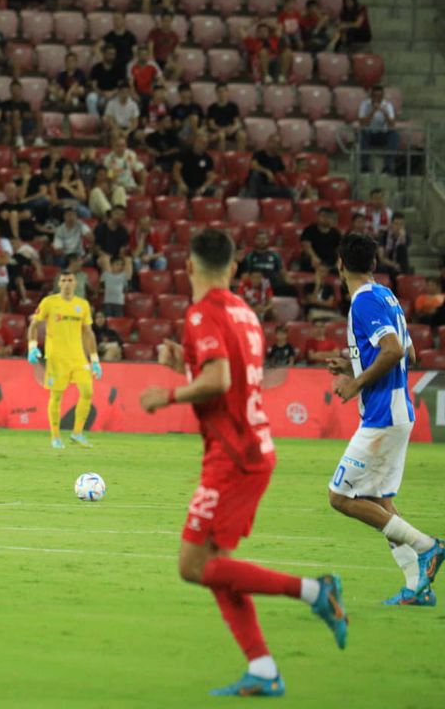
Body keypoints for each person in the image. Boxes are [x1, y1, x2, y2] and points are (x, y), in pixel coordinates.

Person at [139, 228, 349, 697]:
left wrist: (167, 394)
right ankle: (263, 668)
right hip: (248, 448)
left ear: (189, 267)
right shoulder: (245, 313)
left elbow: (218, 379)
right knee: (217, 564)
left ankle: (316, 592)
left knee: (193, 565)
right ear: (233, 269)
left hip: (233, 456)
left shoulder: (201, 314)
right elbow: (226, 378)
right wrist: (184, 365)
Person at [323, 232, 444, 606]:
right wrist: (354, 361)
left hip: (382, 417)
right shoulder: (387, 295)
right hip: (395, 411)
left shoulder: (364, 302)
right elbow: (407, 348)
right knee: (379, 500)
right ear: (374, 264)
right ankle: (416, 586)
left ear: (340, 264)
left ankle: (428, 546)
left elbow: (392, 350)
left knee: (340, 498)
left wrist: (356, 382)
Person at [27, 270, 100, 449]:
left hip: (78, 358)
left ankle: (77, 433)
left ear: (76, 284)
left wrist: (95, 359)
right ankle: (55, 437)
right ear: (59, 284)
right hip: (56, 358)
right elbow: (34, 325)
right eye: (64, 280)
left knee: (88, 392)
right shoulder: (49, 302)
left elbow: (88, 333)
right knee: (57, 396)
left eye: (70, 280)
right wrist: (32, 347)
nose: (67, 283)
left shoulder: (82, 305)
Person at [357, 85, 398, 176]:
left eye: (379, 97)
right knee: (362, 133)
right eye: (375, 96)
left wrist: (385, 113)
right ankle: (365, 168)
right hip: (369, 133)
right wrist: (372, 112)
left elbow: (392, 125)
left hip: (383, 134)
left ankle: (387, 168)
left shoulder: (388, 105)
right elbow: (362, 123)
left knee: (394, 134)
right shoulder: (364, 104)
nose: (377, 99)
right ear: (371, 96)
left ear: (382, 96)